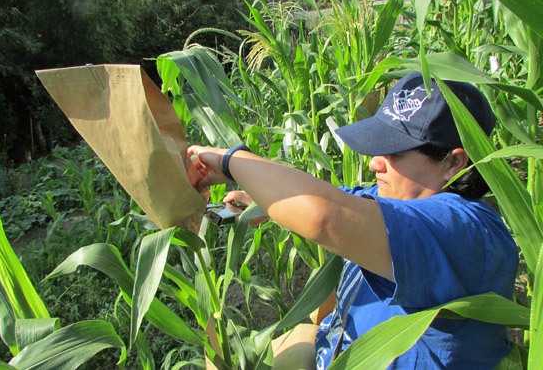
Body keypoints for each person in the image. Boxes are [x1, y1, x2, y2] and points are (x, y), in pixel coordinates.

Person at [188, 72, 519, 369]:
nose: (375, 163)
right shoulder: (400, 197)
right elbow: (339, 197)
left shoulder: (466, 230)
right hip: (329, 348)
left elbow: (324, 216)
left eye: (395, 153)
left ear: (453, 163)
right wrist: (256, 198)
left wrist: (230, 161)